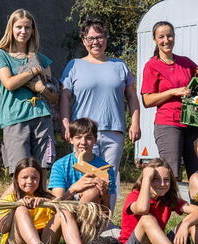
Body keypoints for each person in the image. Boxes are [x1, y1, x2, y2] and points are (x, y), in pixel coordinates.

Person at [60, 18, 140, 211]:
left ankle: (105, 222)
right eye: (90, 38)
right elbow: (64, 98)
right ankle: (84, 217)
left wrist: (135, 123)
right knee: (85, 176)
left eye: (100, 37)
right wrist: (65, 125)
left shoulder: (119, 65)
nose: (95, 42)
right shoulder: (74, 65)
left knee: (109, 178)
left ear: (106, 38)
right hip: (83, 135)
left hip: (113, 132)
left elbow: (131, 96)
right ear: (83, 40)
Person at [0, 9, 58, 178]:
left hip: (42, 118)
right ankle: (18, 205)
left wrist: (40, 89)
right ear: (11, 28)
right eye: (19, 27)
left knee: (42, 172)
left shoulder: (42, 59)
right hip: (15, 118)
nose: (23, 31)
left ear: (33, 30)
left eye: (27, 27)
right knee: (21, 173)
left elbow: (54, 96)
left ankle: (41, 205)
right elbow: (10, 83)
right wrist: (33, 71)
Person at [140, 21, 198, 181]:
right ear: (155, 39)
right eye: (161, 37)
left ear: (174, 37)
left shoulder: (186, 62)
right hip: (168, 124)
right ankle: (171, 206)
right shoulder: (152, 66)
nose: (166, 40)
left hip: (192, 122)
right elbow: (147, 100)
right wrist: (173, 91)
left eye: (169, 36)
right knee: (171, 175)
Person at [0, 157, 83, 244]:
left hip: (45, 240)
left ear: (40, 179)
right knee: (21, 209)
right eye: (24, 177)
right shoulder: (10, 198)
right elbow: (2, 229)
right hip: (18, 243)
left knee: (64, 210)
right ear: (16, 179)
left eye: (34, 177)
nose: (30, 181)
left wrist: (47, 203)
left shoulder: (47, 198)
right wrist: (15, 207)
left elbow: (71, 215)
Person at [49, 118, 115, 211]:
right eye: (78, 137)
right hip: (66, 214)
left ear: (95, 140)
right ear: (71, 139)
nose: (83, 142)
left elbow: (107, 211)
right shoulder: (60, 165)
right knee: (91, 191)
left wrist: (105, 195)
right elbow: (55, 205)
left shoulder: (106, 169)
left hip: (95, 217)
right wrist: (74, 189)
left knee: (92, 191)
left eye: (88, 138)